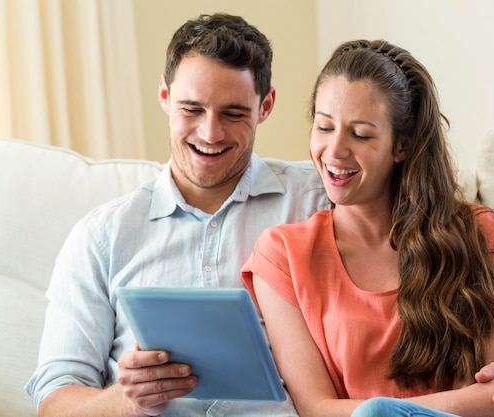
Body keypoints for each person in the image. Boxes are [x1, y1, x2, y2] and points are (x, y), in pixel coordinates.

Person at [25, 13, 331, 417]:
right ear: (165, 96)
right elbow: (54, 404)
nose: (210, 133)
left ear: (265, 106)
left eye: (234, 113)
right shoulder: (102, 236)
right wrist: (130, 399)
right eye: (192, 108)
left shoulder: (318, 202)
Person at [241, 39, 494, 417]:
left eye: (361, 134)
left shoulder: (477, 232)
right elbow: (317, 408)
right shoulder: (282, 254)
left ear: (400, 146)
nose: (334, 150)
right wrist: (472, 403)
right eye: (324, 127)